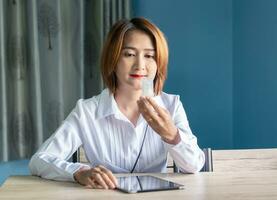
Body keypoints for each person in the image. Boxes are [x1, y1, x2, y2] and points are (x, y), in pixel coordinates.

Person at [29, 17, 205, 190]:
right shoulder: (87, 111)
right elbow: (39, 160)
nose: (140, 65)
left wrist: (172, 136)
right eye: (129, 54)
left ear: (159, 62)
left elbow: (194, 165)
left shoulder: (172, 105)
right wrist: (79, 172)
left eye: (149, 55)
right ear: (113, 60)